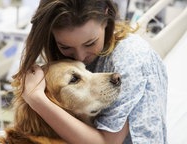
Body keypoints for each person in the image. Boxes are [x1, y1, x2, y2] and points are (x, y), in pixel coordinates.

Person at [15, 0, 168, 143]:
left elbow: (106, 142)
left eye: (90, 43)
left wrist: (36, 99)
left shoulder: (131, 57)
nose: (80, 57)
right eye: (65, 47)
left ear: (106, 20)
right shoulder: (58, 62)